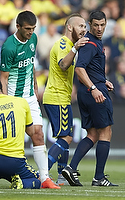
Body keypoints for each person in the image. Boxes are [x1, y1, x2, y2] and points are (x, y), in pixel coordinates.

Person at [0, 10, 60, 189]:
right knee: (14, 139)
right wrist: (4, 102)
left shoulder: (33, 39)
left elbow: (31, 62)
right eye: (27, 29)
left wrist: (34, 83)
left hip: (30, 97)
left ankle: (44, 179)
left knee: (39, 134)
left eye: (33, 28)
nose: (31, 32)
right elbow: (3, 77)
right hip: (14, 98)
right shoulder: (9, 47)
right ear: (17, 26)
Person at [62, 10, 118, 187]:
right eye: (96, 25)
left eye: (102, 25)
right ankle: (99, 177)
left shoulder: (94, 43)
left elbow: (89, 69)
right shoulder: (90, 43)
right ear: (90, 25)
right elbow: (79, 69)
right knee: (105, 132)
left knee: (93, 134)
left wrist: (103, 81)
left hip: (90, 91)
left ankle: (71, 168)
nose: (99, 28)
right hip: (94, 93)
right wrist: (94, 88)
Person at [42, 13, 88, 186]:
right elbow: (63, 64)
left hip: (59, 97)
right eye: (80, 26)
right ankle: (43, 172)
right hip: (57, 97)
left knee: (65, 136)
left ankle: (62, 175)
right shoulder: (64, 44)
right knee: (66, 138)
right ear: (70, 27)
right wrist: (75, 48)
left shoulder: (68, 44)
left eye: (85, 26)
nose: (84, 29)